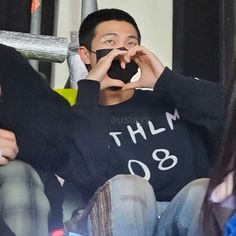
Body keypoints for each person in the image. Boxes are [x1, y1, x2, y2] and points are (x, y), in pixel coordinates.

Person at [63, 8, 224, 235]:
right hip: (110, 216)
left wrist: (166, 80)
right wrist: (90, 89)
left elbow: (229, 111)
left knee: (204, 190)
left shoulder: (173, 98)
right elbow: (82, 173)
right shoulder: (78, 115)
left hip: (179, 217)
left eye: (130, 44)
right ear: (86, 54)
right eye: (110, 41)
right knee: (130, 186)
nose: (120, 50)